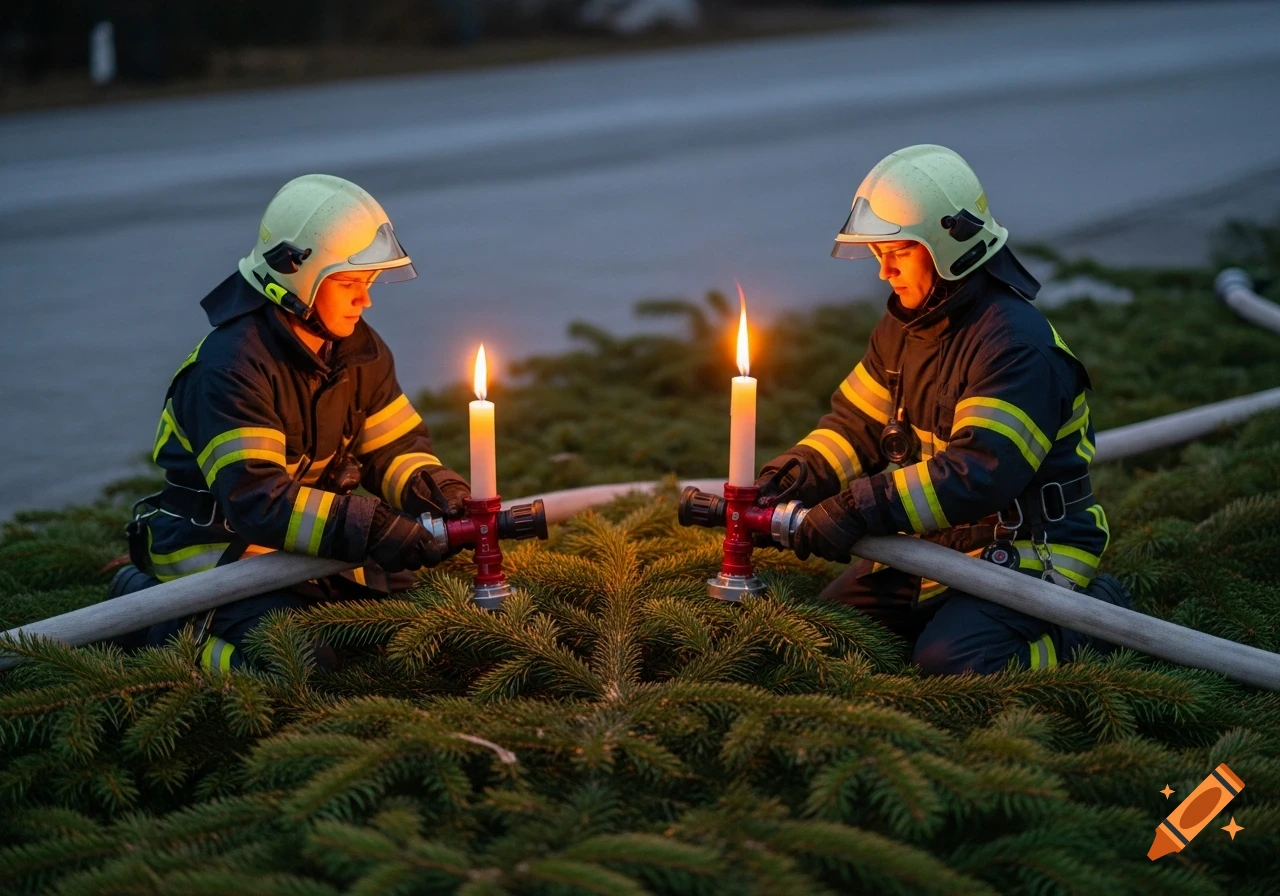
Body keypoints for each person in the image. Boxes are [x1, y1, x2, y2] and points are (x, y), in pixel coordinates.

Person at [759, 144, 1130, 676]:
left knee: (954, 663)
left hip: (1027, 548)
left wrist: (861, 509)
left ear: (949, 245)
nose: (884, 270)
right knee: (826, 635)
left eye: (898, 251)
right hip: (938, 544)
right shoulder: (906, 327)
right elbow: (855, 427)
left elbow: (980, 473)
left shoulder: (1015, 347)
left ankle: (1094, 627)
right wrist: (790, 478)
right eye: (878, 252)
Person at [113, 174, 470, 672]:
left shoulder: (357, 351)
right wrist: (375, 528)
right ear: (295, 276)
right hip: (220, 556)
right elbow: (257, 501)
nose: (364, 300)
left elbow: (393, 447)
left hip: (302, 547)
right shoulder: (230, 367)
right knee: (300, 667)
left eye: (366, 283)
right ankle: (153, 626)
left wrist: (438, 490)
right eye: (348, 283)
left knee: (421, 622)